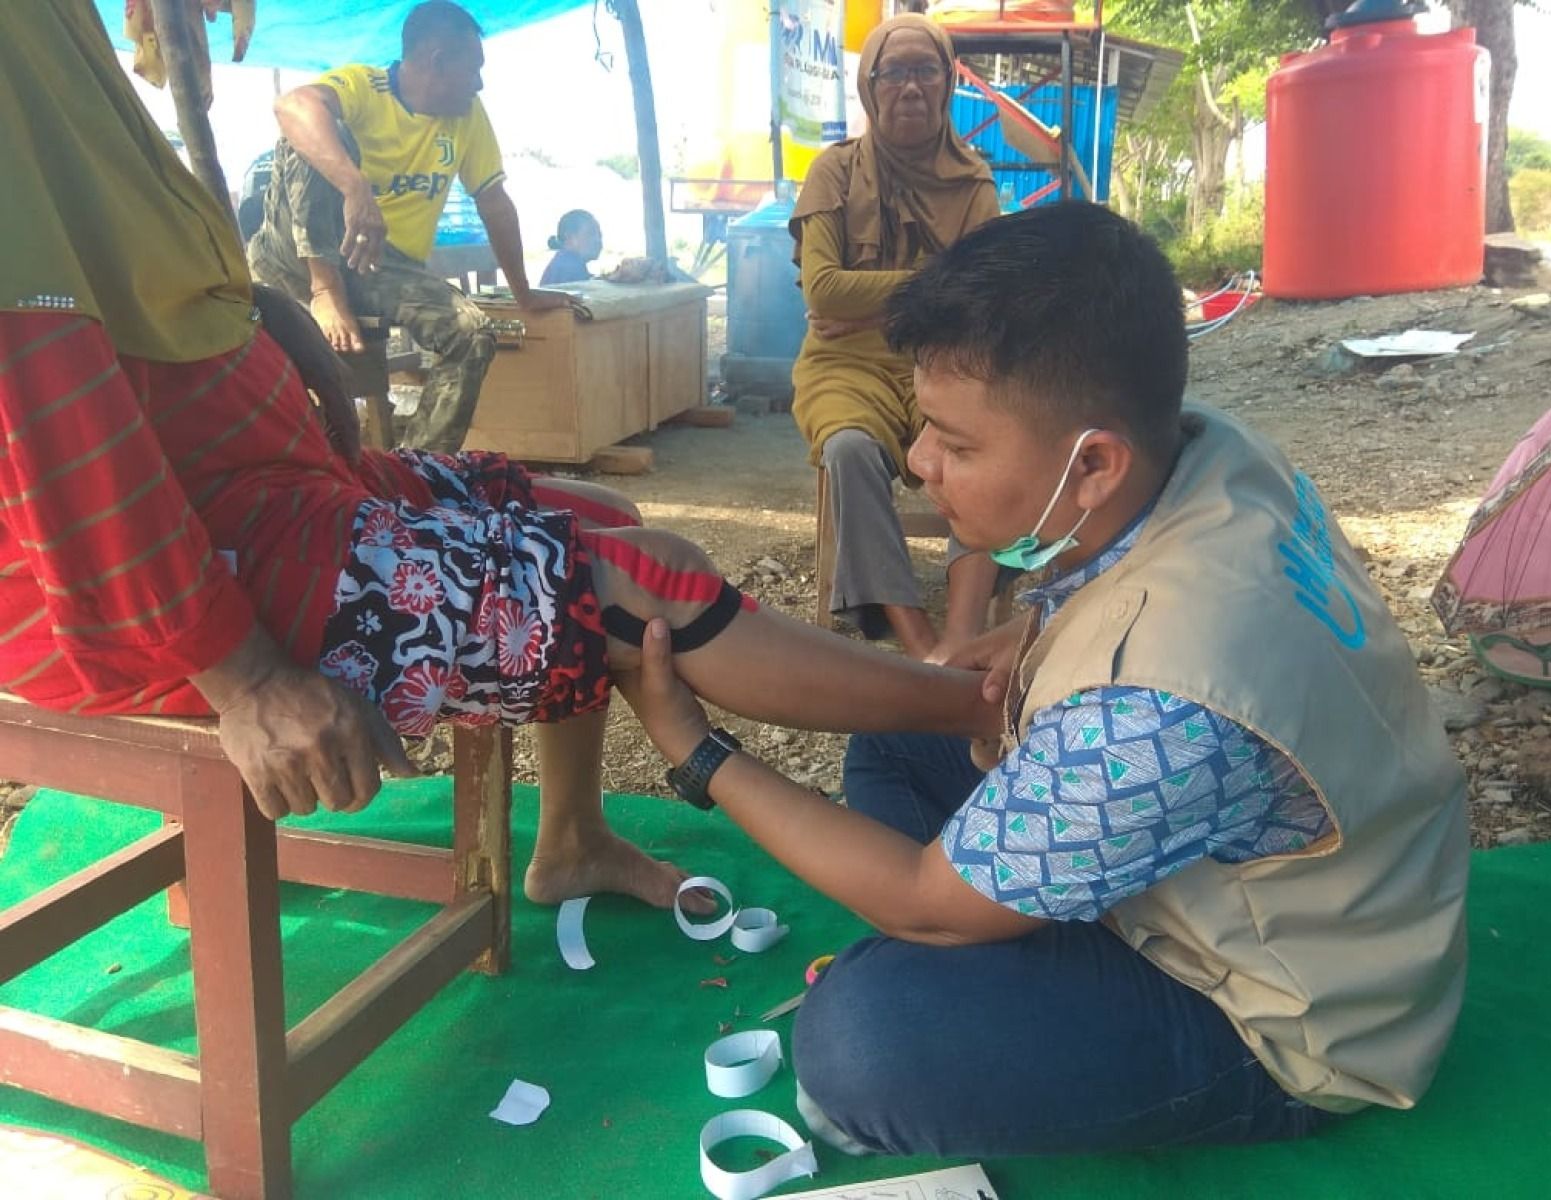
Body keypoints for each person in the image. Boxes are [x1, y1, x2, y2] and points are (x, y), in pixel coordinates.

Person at [1, 0, 998, 913]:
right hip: (149, 579)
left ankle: (569, 838)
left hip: (272, 485)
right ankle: (978, 703)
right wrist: (241, 677)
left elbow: (158, 277)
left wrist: (284, 344)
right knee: (649, 584)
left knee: (601, 522)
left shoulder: (66, 37)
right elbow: (49, 420)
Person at [624, 201, 1469, 1157]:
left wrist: (699, 753)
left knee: (861, 1039)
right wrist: (1038, 626)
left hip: (1290, 1014)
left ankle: (998, 960)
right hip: (1278, 865)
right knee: (900, 742)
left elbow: (916, 896)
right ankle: (1009, 925)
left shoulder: (1158, 703)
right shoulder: (1213, 450)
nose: (917, 460)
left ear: (1093, 462)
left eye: (958, 441)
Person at [789, 13, 1002, 662]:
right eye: (894, 72)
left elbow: (975, 303)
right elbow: (823, 291)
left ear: (946, 85)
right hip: (842, 364)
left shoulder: (974, 186)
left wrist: (870, 302)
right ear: (868, 86)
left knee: (988, 449)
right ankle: (920, 643)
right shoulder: (834, 171)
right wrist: (933, 283)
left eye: (926, 71)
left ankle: (963, 635)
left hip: (945, 362)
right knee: (851, 450)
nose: (910, 88)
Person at [248, 1, 552, 454]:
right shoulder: (363, 87)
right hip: (292, 256)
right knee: (318, 127)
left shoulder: (467, 116)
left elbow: (494, 203)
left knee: (472, 334)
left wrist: (523, 291)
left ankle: (417, 472)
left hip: (380, 267)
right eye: (474, 69)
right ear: (438, 61)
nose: (480, 82)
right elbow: (291, 106)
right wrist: (354, 186)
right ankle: (325, 288)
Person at [540, 209, 602, 286]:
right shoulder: (570, 267)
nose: (598, 240)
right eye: (590, 234)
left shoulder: (562, 261)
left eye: (599, 235)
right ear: (569, 237)